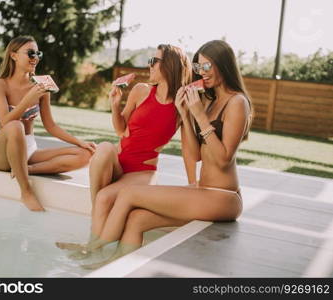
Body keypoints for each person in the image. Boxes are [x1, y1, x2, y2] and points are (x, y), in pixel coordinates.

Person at [78, 40, 253, 269]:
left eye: (207, 66)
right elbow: (196, 154)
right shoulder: (211, 103)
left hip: (224, 196)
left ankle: (95, 250)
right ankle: (115, 266)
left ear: (223, 65)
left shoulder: (237, 102)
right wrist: (185, 112)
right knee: (136, 219)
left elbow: (223, 159)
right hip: (204, 190)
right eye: (199, 68)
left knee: (129, 194)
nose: (202, 73)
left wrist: (199, 117)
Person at [56, 44, 192, 258]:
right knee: (104, 147)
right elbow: (121, 129)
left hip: (142, 172)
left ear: (169, 65)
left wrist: (193, 183)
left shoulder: (180, 104)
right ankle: (94, 244)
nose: (150, 65)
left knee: (104, 197)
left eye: (154, 61)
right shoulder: (141, 90)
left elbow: (189, 146)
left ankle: (91, 248)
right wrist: (115, 104)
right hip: (120, 163)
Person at [0, 36, 95, 212]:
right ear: (13, 55)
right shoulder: (0, 84)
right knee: (16, 126)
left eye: (38, 53)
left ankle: (26, 169)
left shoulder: (42, 86)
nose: (35, 57)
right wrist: (27, 100)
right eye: (30, 53)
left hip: (29, 149)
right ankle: (26, 191)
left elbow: (50, 125)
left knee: (85, 155)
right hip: (3, 150)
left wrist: (80, 142)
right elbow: (4, 122)